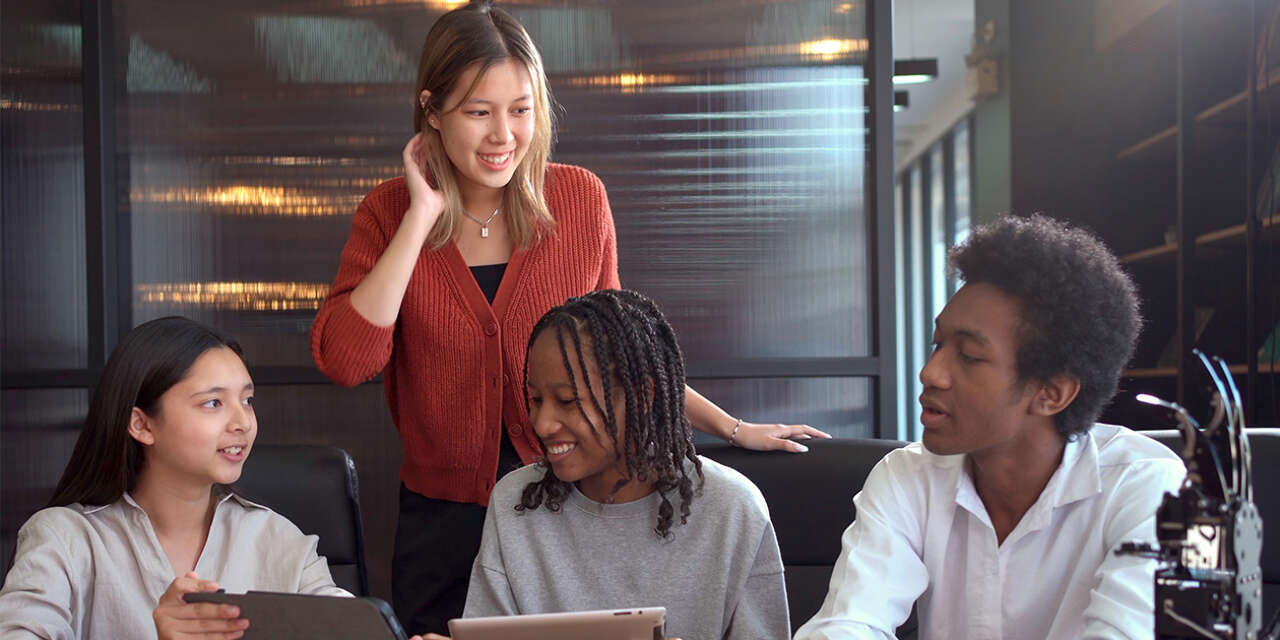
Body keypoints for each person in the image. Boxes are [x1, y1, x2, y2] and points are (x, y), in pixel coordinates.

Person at [309, 1, 826, 634]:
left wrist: (730, 426)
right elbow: (346, 360)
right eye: (478, 112)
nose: (504, 136)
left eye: (520, 110)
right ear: (432, 112)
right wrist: (420, 217)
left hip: (566, 512)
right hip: (438, 523)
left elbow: (619, 352)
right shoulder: (388, 213)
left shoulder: (579, 201)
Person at [794, 215, 1187, 639]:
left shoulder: (1147, 486)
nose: (931, 373)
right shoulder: (907, 477)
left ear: (1051, 393)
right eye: (937, 344)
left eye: (968, 356)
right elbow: (848, 624)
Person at [458, 289, 789, 640]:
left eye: (567, 401)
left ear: (642, 397)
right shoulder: (516, 503)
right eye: (536, 399)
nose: (541, 424)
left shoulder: (733, 510)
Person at [0, 316, 350, 640]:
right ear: (142, 424)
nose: (242, 422)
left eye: (247, 400)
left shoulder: (279, 539)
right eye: (213, 403)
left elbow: (345, 623)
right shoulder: (65, 540)